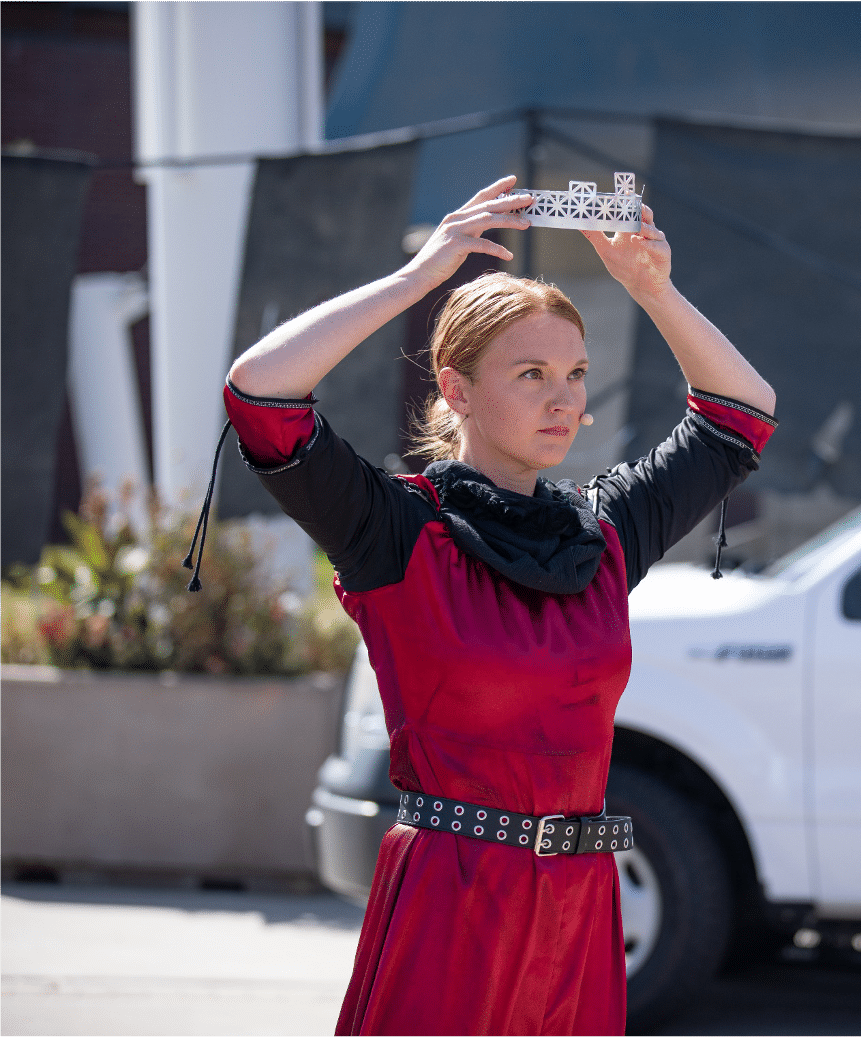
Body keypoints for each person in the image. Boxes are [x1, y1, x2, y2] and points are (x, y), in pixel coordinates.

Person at [215, 177, 776, 1036]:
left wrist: (651, 289)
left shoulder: (604, 532)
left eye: (576, 374)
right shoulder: (396, 531)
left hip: (583, 913)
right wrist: (415, 280)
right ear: (459, 389)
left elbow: (740, 416)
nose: (565, 399)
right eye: (532, 373)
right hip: (452, 905)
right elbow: (260, 396)